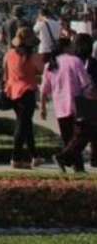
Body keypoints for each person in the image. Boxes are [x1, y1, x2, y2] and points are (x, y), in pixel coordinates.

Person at [41, 35, 97, 173]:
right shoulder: (75, 61)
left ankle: (78, 168)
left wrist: (43, 107)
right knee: (83, 135)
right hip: (78, 104)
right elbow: (86, 84)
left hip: (59, 106)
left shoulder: (50, 64)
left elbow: (44, 89)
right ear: (66, 47)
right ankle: (63, 157)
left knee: (69, 138)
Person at [2, 25, 45, 169]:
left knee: (25, 124)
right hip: (27, 92)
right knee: (22, 125)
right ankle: (16, 158)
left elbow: (5, 74)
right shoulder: (31, 56)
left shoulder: (9, 54)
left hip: (13, 92)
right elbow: (40, 71)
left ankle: (35, 155)